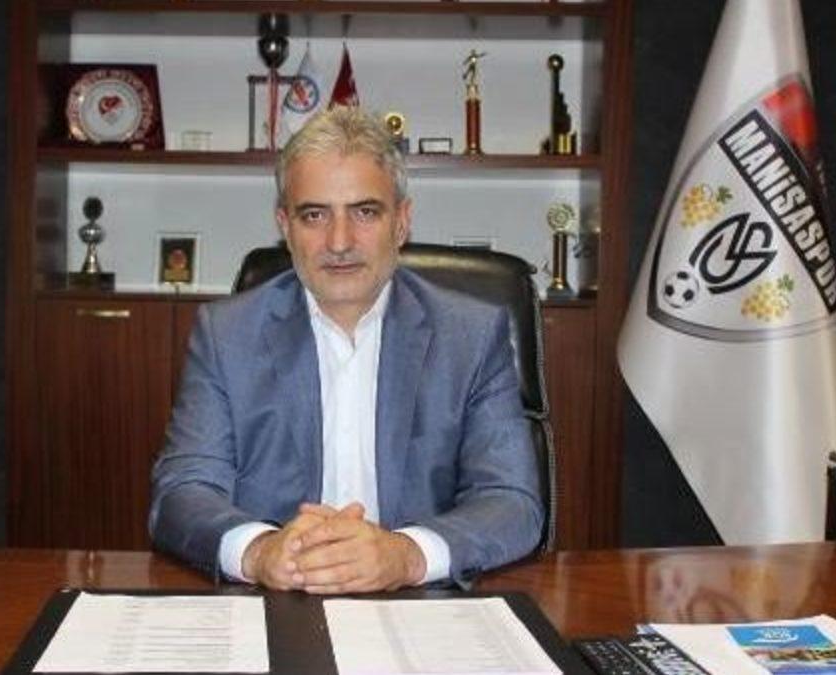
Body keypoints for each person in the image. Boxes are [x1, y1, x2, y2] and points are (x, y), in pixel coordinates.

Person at [149, 106, 544, 593]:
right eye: (314, 215)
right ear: (285, 226)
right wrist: (259, 551)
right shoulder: (226, 334)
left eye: (365, 212)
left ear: (401, 222)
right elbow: (182, 492)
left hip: (418, 606)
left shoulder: (471, 336)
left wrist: (406, 556)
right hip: (276, 599)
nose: (339, 242)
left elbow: (512, 501)